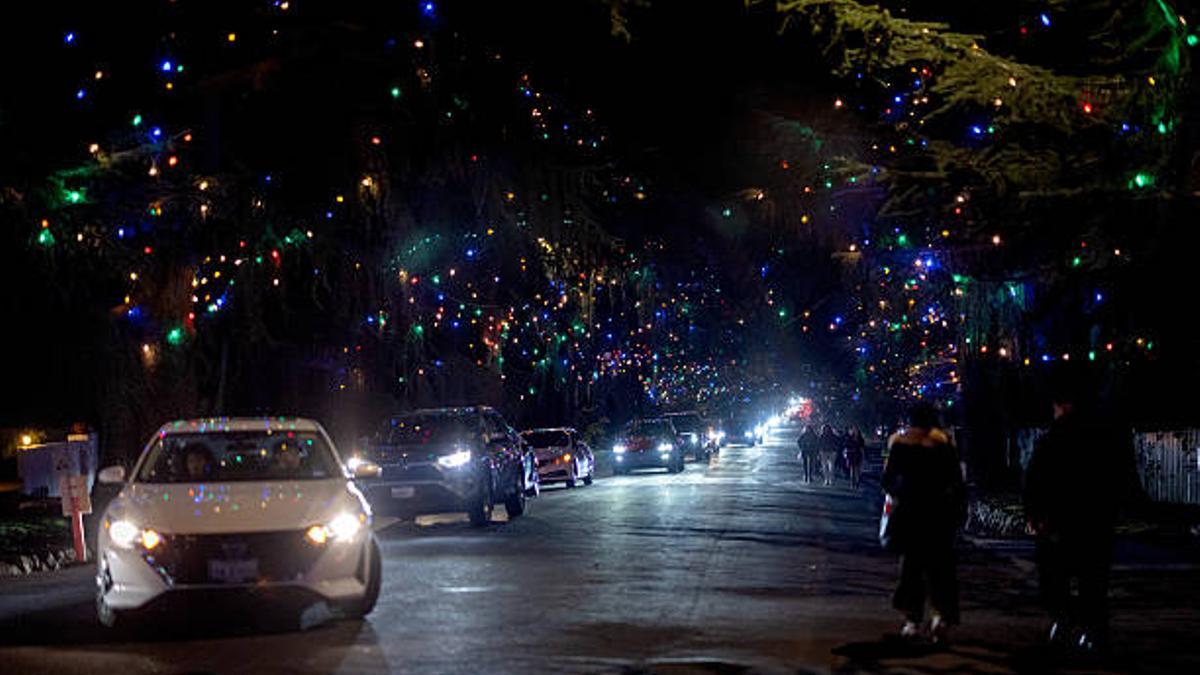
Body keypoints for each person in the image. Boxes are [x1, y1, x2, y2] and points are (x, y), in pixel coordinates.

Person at [1023, 367, 1140, 655]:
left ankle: (1065, 619)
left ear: (1063, 405)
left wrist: (1034, 514)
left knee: (1054, 577)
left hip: (1058, 521)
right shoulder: (1106, 437)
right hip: (1096, 519)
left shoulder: (1052, 439)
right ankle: (1093, 630)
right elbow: (1122, 477)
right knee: (1094, 580)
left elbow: (1035, 480)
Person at [881, 402, 966, 643]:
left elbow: (888, 481)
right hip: (939, 515)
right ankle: (941, 617)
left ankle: (913, 620)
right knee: (941, 568)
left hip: (910, 514)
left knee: (911, 568)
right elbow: (956, 482)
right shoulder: (943, 444)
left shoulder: (900, 444)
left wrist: (903, 492)